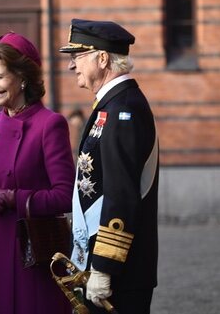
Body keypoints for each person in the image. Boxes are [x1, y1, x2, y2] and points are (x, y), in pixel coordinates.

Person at [0, 31, 75, 314]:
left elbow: (66, 196)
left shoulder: (50, 124)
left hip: (33, 247)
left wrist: (12, 198)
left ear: (23, 77)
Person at [60, 19, 159, 314]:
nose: (71, 66)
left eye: (77, 57)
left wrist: (104, 266)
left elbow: (122, 193)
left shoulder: (123, 109)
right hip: (108, 261)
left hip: (120, 272)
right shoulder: (111, 105)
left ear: (102, 59)